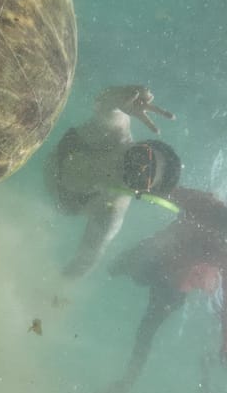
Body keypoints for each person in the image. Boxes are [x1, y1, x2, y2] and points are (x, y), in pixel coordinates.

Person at [92, 187, 227, 393]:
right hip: (158, 258)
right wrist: (132, 186)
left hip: (173, 282)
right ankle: (124, 383)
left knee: (145, 331)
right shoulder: (207, 206)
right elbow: (164, 189)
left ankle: (124, 386)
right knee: (114, 269)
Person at [44, 85, 182, 277]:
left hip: (44, 193)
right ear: (138, 143)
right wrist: (122, 97)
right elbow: (106, 104)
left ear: (139, 192)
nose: (131, 167)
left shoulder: (109, 213)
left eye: (140, 177)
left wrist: (53, 290)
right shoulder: (114, 132)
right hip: (42, 140)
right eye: (140, 156)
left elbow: (85, 261)